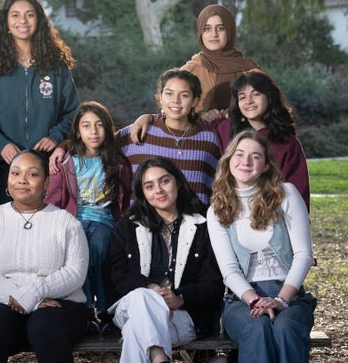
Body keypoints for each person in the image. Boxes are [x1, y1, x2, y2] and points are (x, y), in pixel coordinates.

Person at [0, 150, 89, 363]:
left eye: (32, 174)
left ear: (46, 182)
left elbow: (75, 273)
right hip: (2, 301)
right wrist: (22, 298)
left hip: (59, 304)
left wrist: (36, 291)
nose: (22, 180)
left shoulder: (66, 222)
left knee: (44, 325)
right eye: (15, 173)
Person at [207, 130, 316, 363]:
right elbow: (229, 271)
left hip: (290, 294)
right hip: (242, 298)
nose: (246, 161)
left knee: (285, 328)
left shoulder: (285, 194)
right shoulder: (217, 210)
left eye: (256, 156)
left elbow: (304, 255)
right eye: (239, 154)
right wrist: (255, 300)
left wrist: (281, 300)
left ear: (266, 165)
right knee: (258, 328)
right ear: (228, 161)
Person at [104, 157, 224, 363]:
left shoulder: (204, 227)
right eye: (149, 186)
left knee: (137, 329)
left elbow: (213, 283)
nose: (158, 190)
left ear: (177, 182)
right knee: (143, 297)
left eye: (164, 181)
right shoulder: (126, 228)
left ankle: (159, 357)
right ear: (142, 193)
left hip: (181, 316)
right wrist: (150, 288)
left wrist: (180, 298)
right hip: (130, 306)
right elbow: (117, 275)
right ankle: (159, 357)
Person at [0, 0, 80, 203]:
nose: (22, 21)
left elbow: (73, 111)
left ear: (39, 21)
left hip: (47, 165)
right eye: (15, 15)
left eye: (29, 15)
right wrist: (2, 144)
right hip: (5, 165)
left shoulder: (56, 67)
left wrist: (56, 137)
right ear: (5, 22)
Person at [44, 101, 131, 328]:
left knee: (100, 245)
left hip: (104, 220)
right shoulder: (65, 162)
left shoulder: (117, 162)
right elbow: (53, 198)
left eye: (99, 125)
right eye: (86, 126)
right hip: (73, 219)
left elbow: (125, 199)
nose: (93, 132)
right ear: (78, 132)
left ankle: (101, 309)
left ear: (107, 128)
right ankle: (84, 308)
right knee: (77, 246)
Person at [130, 4, 260, 141]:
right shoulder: (190, 70)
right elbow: (171, 108)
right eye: (207, 28)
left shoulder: (250, 70)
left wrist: (239, 114)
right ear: (200, 32)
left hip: (244, 147)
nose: (213, 34)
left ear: (230, 31)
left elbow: (277, 111)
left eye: (220, 28)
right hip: (197, 147)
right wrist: (148, 118)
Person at [201, 70, 310, 210]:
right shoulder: (224, 129)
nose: (249, 101)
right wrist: (204, 115)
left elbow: (298, 193)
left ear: (269, 97)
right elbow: (187, 126)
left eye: (256, 94)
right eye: (242, 97)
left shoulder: (286, 143)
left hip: (271, 215)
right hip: (229, 213)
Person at [117, 69, 220, 204]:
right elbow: (97, 147)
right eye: (169, 94)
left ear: (195, 100)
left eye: (184, 95)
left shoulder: (210, 139)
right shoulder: (139, 131)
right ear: (160, 97)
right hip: (143, 221)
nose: (176, 100)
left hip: (195, 221)